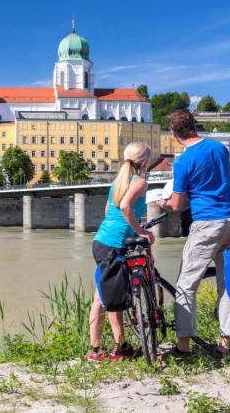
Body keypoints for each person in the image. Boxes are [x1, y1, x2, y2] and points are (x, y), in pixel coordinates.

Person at [156, 109, 230, 355]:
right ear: (194, 125)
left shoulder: (183, 161)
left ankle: (183, 346)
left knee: (186, 285)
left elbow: (178, 204)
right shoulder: (219, 148)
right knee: (227, 284)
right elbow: (227, 180)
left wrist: (163, 203)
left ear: (174, 134)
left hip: (207, 223)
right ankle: (225, 345)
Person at [87, 142, 155, 362]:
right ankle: (95, 351)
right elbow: (125, 206)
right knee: (101, 298)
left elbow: (109, 210)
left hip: (103, 241)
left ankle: (121, 345)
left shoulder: (118, 181)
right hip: (113, 245)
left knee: (111, 295)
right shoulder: (140, 182)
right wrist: (140, 231)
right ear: (145, 162)